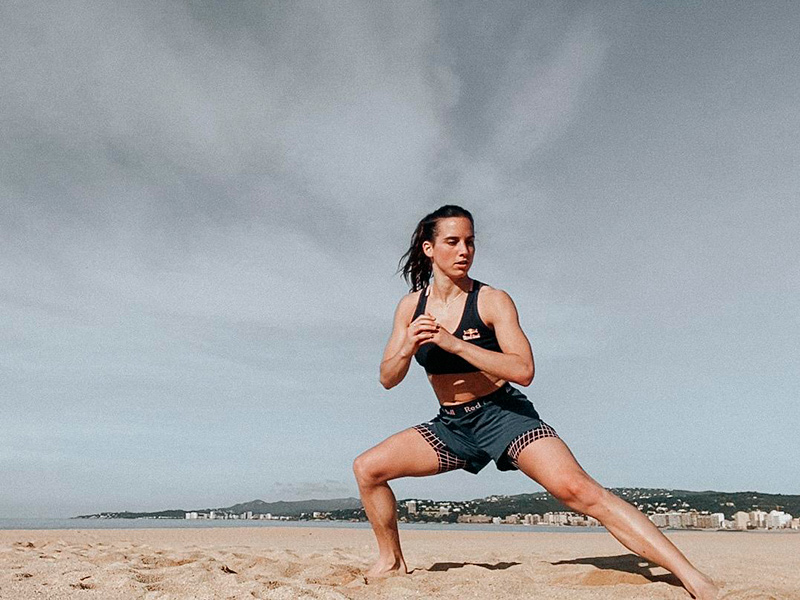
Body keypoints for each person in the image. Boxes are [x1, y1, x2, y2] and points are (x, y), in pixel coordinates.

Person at [352, 205, 719, 599]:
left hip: (503, 415)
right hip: (453, 425)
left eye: (470, 242)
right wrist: (407, 345)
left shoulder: (492, 300)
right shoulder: (410, 308)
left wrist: (454, 343)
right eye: (453, 241)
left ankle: (691, 575)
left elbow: (523, 369)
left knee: (580, 492)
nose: (465, 251)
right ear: (429, 248)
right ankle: (391, 561)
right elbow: (388, 378)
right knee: (368, 469)